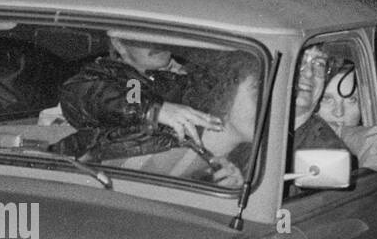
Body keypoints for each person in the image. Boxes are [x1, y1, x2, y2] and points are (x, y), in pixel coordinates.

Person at [58, 36, 255, 186]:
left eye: (162, 34)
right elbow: (85, 93)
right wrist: (152, 110)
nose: (157, 42)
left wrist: (218, 177)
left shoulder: (187, 79)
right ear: (119, 44)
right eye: (144, 35)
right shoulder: (116, 79)